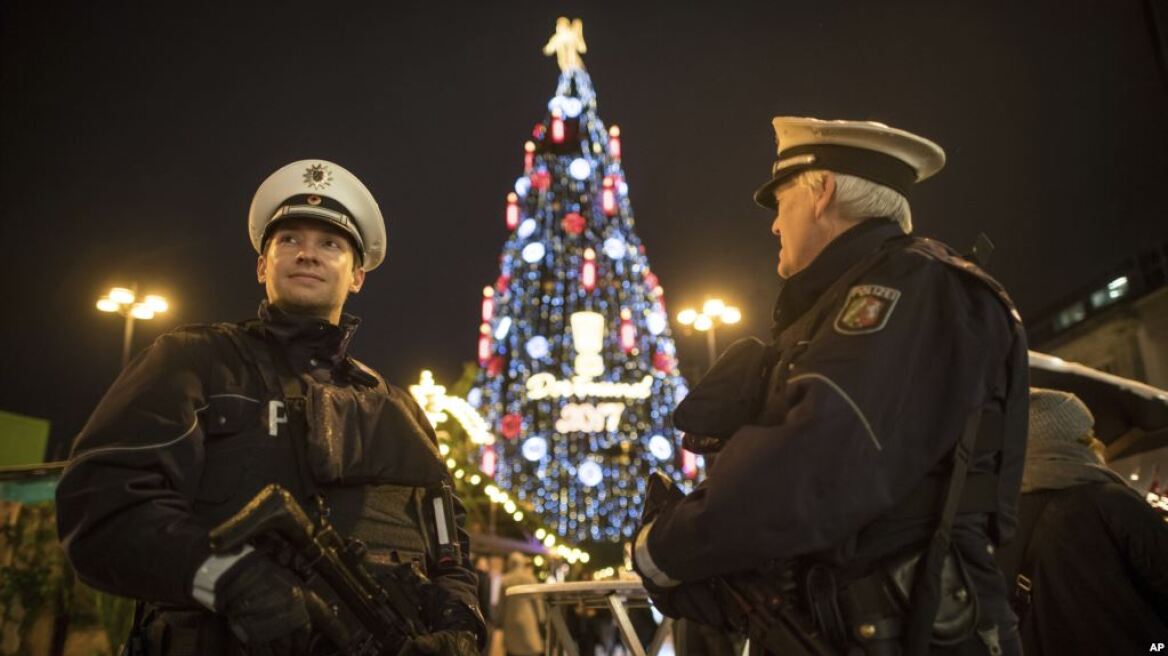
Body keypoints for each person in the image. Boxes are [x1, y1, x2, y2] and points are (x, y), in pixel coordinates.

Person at [633, 117, 1030, 655]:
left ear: (821, 192)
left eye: (781, 202)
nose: (775, 225)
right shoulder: (861, 296)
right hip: (862, 626)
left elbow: (812, 459)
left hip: (910, 631)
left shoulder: (908, 286)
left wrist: (663, 548)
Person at [56, 159, 486, 655]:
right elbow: (102, 510)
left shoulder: (398, 409)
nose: (307, 254)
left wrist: (461, 622)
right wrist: (229, 579)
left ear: (357, 276)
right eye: (288, 240)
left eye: (330, 244)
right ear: (263, 266)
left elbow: (448, 547)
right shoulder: (194, 361)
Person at [995, 388, 1168, 654]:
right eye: (1088, 436)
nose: (1098, 444)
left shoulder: (998, 522)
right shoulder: (1110, 501)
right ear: (1069, 443)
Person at [494, 552, 544, 656]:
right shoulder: (530, 579)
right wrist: (541, 618)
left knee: (512, 651)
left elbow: (501, 605)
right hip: (528, 620)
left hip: (510, 621)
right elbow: (537, 602)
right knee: (532, 649)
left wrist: (499, 622)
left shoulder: (505, 580)